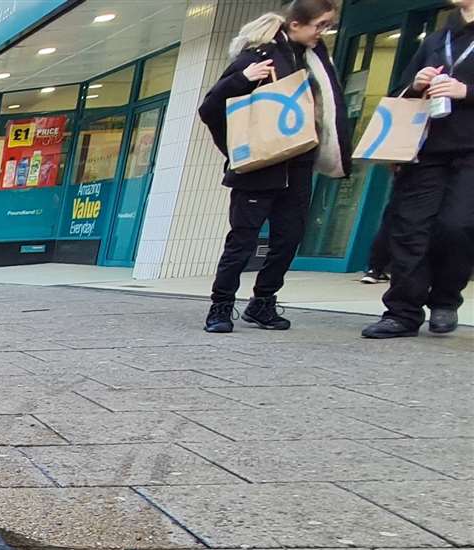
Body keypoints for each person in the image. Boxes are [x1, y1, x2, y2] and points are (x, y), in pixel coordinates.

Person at [198, 0, 348, 333]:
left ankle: (262, 302)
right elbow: (209, 108)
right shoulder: (259, 56)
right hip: (258, 167)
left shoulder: (314, 60)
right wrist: (241, 79)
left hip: (297, 164)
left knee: (288, 239)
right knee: (242, 241)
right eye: (319, 25)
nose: (323, 32)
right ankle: (220, 306)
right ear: (295, 24)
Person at [362, 0, 474, 338]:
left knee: (457, 226)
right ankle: (402, 312)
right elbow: (400, 93)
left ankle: (444, 300)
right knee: (410, 229)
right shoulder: (437, 39)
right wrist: (417, 84)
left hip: (471, 152)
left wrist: (466, 90)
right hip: (426, 150)